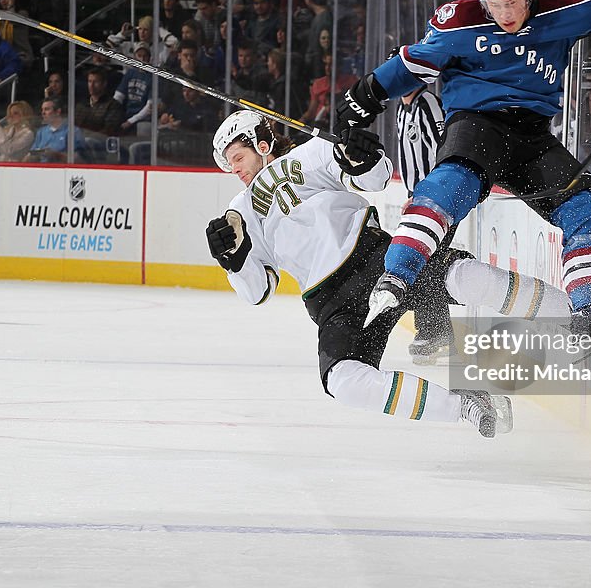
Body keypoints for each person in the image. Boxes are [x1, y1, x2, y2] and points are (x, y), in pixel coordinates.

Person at [335, 0, 591, 343]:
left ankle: (590, 316)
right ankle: (396, 279)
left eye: (512, 2)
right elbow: (410, 65)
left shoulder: (566, 6)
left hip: (533, 137)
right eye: (495, 4)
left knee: (585, 205)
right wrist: (360, 100)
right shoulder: (459, 20)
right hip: (476, 125)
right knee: (449, 185)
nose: (505, 14)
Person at [206, 110, 572, 437]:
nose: (235, 169)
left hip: (377, 260)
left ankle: (573, 316)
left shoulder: (312, 152)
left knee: (463, 276)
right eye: (229, 164)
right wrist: (232, 262)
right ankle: (468, 406)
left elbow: (376, 178)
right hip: (332, 303)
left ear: (262, 142)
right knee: (343, 380)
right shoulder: (239, 213)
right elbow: (256, 292)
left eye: (238, 156)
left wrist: (361, 156)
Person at [394, 83, 453, 364]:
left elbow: (445, 149)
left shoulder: (428, 102)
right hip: (419, 200)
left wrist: (427, 194)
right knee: (427, 261)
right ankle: (438, 332)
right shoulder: (401, 109)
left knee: (426, 260)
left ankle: (434, 332)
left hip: (439, 198)